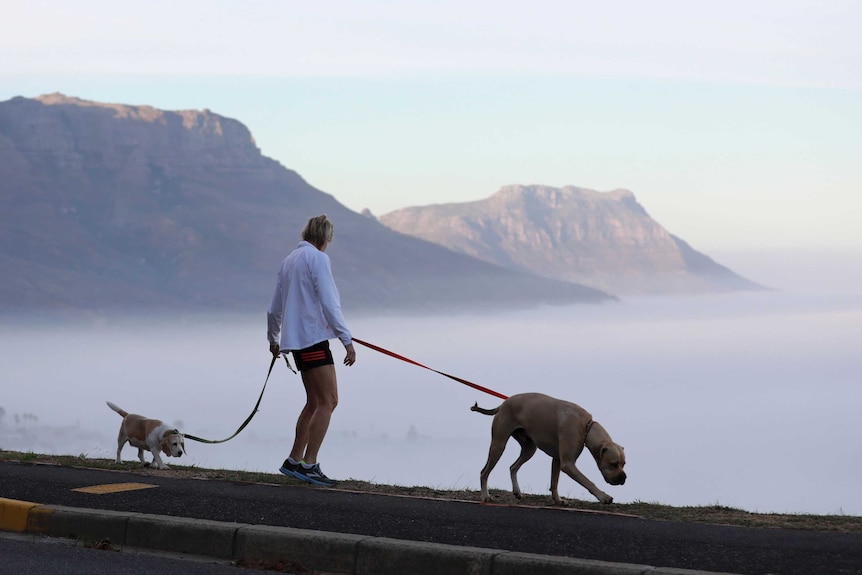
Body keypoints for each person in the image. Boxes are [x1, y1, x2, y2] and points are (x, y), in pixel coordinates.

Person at [267, 214, 356, 487]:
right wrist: (346, 339)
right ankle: (310, 464)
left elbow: (274, 308)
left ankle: (294, 460)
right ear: (324, 238)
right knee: (329, 401)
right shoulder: (318, 259)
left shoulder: (288, 261)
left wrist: (274, 339)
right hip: (314, 340)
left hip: (296, 343)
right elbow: (330, 302)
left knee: (314, 402)